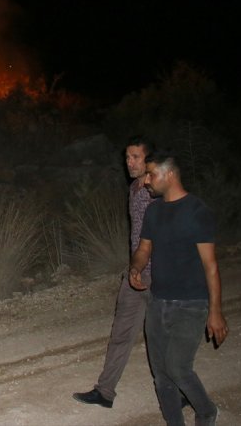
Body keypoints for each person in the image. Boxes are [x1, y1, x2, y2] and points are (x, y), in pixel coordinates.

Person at [129, 151, 227, 426]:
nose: (146, 180)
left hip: (192, 304)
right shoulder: (154, 210)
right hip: (158, 302)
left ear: (169, 175)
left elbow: (211, 266)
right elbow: (143, 249)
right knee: (161, 375)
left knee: (178, 368)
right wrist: (135, 268)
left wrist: (215, 312)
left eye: (151, 174)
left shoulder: (197, 212)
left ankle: (206, 411)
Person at [73, 136, 158, 408]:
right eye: (127, 157)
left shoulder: (158, 192)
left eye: (136, 157)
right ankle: (105, 391)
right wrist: (134, 268)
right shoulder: (135, 187)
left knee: (161, 340)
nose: (130, 162)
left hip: (159, 277)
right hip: (135, 273)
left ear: (149, 161)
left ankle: (179, 393)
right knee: (121, 332)